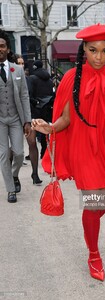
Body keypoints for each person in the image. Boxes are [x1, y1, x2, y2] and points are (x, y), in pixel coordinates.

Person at [31, 24, 105, 281]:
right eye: (92, 50)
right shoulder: (72, 78)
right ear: (83, 49)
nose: (98, 57)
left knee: (100, 203)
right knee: (94, 205)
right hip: (85, 149)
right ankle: (94, 254)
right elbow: (66, 118)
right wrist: (49, 128)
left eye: (104, 51)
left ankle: (92, 229)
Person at [0, 29, 31, 203]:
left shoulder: (17, 69)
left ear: (8, 49)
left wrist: (27, 120)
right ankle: (10, 190)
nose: (0, 49)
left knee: (19, 154)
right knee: (4, 154)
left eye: (2, 46)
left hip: (15, 119)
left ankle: (14, 174)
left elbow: (25, 95)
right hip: (0, 120)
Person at [15, 55, 43, 184]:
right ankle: (14, 176)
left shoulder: (29, 79)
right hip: (13, 116)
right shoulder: (8, 78)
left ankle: (35, 173)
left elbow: (33, 95)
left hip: (29, 114)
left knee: (32, 143)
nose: (21, 66)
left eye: (22, 63)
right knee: (14, 150)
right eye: (18, 63)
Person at [29, 60, 54, 160]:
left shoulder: (32, 78)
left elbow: (29, 93)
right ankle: (45, 151)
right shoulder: (49, 79)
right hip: (47, 107)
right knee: (45, 131)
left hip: (36, 107)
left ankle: (33, 152)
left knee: (33, 132)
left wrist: (34, 102)